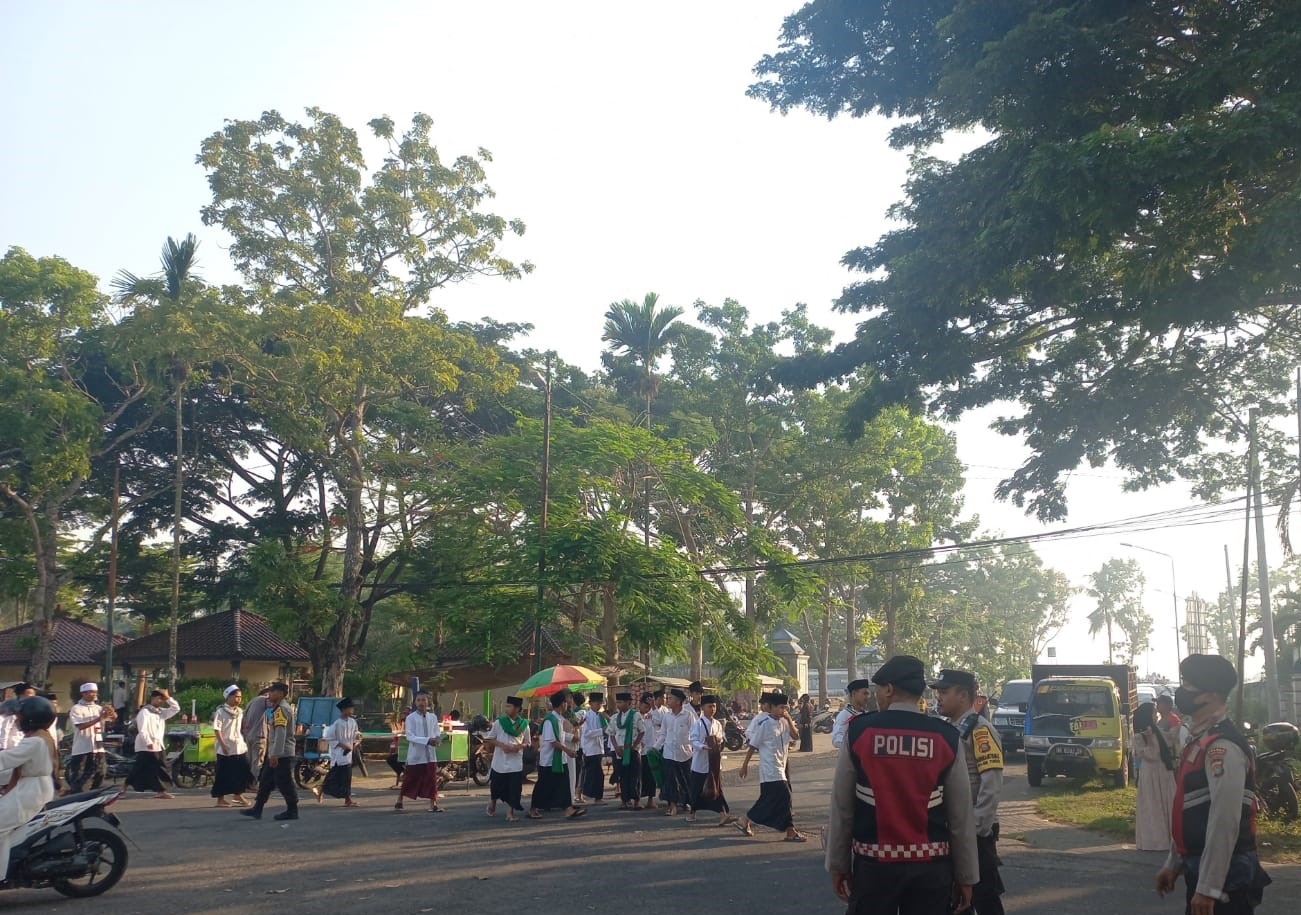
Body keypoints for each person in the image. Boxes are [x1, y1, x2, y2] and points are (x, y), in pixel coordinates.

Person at [826, 655, 978, 915]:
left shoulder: (860, 732)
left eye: (878, 690)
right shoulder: (946, 737)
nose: (876, 696)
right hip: (931, 869)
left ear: (889, 688)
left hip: (873, 866)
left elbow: (842, 805)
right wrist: (966, 876)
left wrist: (838, 865)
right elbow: (960, 815)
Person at [1156, 654, 1271, 915]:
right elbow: (1192, 809)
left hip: (1226, 879)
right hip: (1202, 869)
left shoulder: (1222, 748)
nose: (1180, 692)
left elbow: (1224, 820)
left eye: (1187, 685)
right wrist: (1174, 863)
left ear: (1211, 695)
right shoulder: (1200, 741)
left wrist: (1209, 888)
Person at [932, 668, 1005, 915]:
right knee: (956, 901)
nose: (938, 698)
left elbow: (991, 784)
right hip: (953, 830)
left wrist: (976, 829)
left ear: (963, 696)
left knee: (985, 899)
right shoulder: (947, 729)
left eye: (944, 692)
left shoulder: (979, 730)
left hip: (974, 834)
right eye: (937, 692)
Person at [736, 692, 803, 840]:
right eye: (780, 708)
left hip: (782, 765)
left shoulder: (785, 722)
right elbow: (752, 746)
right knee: (784, 796)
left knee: (772, 799)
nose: (782, 711)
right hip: (770, 767)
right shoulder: (765, 724)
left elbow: (796, 736)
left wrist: (789, 719)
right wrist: (744, 765)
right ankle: (790, 830)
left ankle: (746, 820)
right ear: (771, 708)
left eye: (785, 708)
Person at [0, 697, 58, 865]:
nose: (17, 720)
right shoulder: (40, 737)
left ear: (32, 718)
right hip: (32, 787)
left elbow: (6, 759)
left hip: (30, 793)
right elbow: (17, 768)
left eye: (19, 716)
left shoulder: (35, 741)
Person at [241, 681, 299, 821]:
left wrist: (275, 754)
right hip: (276, 752)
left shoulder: (282, 710)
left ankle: (292, 810)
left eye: (272, 691)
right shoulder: (278, 708)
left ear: (279, 693)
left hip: (282, 753)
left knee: (284, 782)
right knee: (266, 780)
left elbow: (280, 733)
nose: (269, 694)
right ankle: (258, 808)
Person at [529, 690, 586, 820]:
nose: (568, 704)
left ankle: (568, 809)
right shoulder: (550, 720)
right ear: (561, 704)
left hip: (560, 759)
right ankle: (533, 809)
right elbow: (553, 741)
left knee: (564, 784)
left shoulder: (559, 719)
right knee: (543, 785)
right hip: (549, 760)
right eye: (566, 701)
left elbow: (561, 736)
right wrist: (568, 750)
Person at [1134, 701, 1176, 851]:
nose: (1156, 714)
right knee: (1153, 805)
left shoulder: (1157, 730)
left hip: (1163, 771)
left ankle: (1170, 838)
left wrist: (1178, 728)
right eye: (1153, 712)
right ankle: (1155, 841)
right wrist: (1150, 739)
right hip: (1150, 773)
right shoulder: (1140, 736)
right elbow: (1150, 755)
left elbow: (1170, 741)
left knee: (1167, 803)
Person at [687, 693, 734, 826]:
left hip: (713, 762)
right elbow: (693, 740)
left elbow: (720, 737)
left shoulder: (718, 723)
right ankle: (692, 813)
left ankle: (722, 814)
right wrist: (703, 746)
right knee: (697, 789)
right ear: (703, 708)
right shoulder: (698, 724)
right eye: (709, 706)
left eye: (714, 706)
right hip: (700, 762)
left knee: (716, 788)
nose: (712, 709)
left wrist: (718, 740)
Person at [127, 688, 180, 798]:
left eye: (162, 699)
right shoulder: (145, 712)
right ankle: (124, 786)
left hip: (158, 745)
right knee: (140, 768)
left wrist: (168, 698)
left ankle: (161, 791)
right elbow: (142, 729)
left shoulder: (161, 712)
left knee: (161, 767)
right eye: (159, 699)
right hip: (146, 746)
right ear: (153, 698)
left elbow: (176, 708)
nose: (161, 701)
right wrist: (148, 742)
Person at [395, 691, 442, 813]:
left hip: (430, 755)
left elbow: (437, 731)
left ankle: (434, 803)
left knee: (432, 779)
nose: (421, 702)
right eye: (419, 700)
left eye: (424, 700)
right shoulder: (411, 718)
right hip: (416, 755)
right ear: (415, 702)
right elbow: (410, 736)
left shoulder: (433, 717)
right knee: (410, 778)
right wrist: (427, 740)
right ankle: (400, 799)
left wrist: (437, 738)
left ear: (428, 702)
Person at [484, 695, 529, 822]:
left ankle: (510, 813)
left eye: (509, 706)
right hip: (500, 761)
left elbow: (528, 742)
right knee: (496, 786)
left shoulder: (524, 724)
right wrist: (502, 745)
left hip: (515, 762)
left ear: (517, 708)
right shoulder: (499, 722)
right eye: (506, 706)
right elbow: (490, 738)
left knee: (514, 788)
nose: (506, 709)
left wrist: (519, 746)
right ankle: (492, 801)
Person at [66, 682, 115, 793]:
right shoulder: (76, 708)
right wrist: (99, 718)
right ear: (83, 693)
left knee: (100, 772)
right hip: (82, 747)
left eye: (95, 692)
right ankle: (77, 796)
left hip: (98, 746)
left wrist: (111, 713)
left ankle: (93, 794)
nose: (93, 694)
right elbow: (80, 726)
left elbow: (111, 720)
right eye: (91, 692)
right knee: (80, 775)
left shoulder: (98, 708)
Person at [313, 697, 360, 807]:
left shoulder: (353, 722)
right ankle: (325, 789)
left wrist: (357, 739)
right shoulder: (337, 724)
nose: (352, 710)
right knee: (340, 777)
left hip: (348, 753)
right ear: (343, 710)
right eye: (349, 708)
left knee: (343, 777)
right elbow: (329, 737)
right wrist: (342, 745)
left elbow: (355, 734)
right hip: (339, 754)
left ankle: (323, 789)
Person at [212, 685, 253, 807]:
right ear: (228, 697)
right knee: (223, 773)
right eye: (235, 696)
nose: (238, 699)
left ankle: (238, 794)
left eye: (240, 697)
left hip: (239, 746)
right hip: (225, 747)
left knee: (243, 770)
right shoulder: (220, 711)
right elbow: (217, 729)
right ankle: (220, 799)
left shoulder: (240, 712)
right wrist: (223, 744)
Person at [659, 688, 696, 817]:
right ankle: (672, 806)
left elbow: (694, 734)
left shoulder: (688, 715)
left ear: (679, 701)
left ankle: (686, 802)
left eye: (671, 698)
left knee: (685, 780)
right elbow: (663, 733)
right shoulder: (667, 716)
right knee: (670, 781)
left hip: (685, 754)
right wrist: (655, 747)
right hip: (669, 753)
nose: (668, 701)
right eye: (668, 698)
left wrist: (696, 749)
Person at [608, 692, 643, 810]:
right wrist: (616, 747)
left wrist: (634, 745)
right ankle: (624, 800)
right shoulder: (614, 718)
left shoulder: (636, 715)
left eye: (620, 702)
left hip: (632, 750)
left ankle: (636, 801)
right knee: (623, 777)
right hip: (620, 751)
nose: (618, 704)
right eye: (617, 702)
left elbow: (642, 731)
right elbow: (611, 734)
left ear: (629, 703)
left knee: (635, 776)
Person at [580, 692, 608, 804]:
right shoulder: (587, 716)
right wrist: (601, 731)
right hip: (590, 749)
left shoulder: (600, 716)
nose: (599, 706)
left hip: (598, 748)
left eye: (600, 703)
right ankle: (596, 797)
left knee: (596, 774)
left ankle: (595, 796)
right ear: (591, 704)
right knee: (596, 774)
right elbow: (586, 733)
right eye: (597, 703)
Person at [833, 680, 872, 751]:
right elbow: (836, 740)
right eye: (865, 693)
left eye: (868, 694)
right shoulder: (844, 715)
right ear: (854, 694)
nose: (867, 697)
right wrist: (857, 746)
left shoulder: (865, 714)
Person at [636, 693, 659, 810]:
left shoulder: (653, 715)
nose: (647, 709)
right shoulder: (635, 716)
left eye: (649, 707)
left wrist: (654, 707)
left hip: (650, 750)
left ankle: (650, 800)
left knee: (651, 777)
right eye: (645, 706)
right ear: (639, 704)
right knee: (639, 777)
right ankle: (637, 800)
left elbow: (660, 721)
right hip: (638, 751)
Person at [241, 687, 271, 775]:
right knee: (257, 762)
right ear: (267, 694)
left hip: (248, 736)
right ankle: (253, 784)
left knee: (249, 761)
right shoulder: (264, 699)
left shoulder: (251, 702)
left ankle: (246, 783)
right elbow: (276, 705)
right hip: (259, 736)